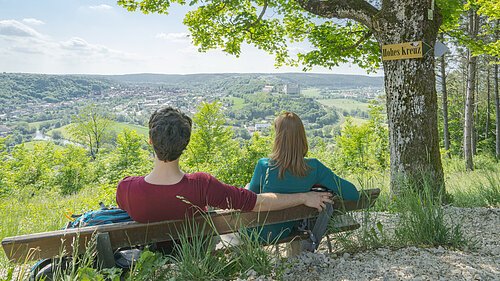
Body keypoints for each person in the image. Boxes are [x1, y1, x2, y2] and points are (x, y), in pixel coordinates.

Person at [116, 107, 332, 224]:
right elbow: (257, 203)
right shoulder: (202, 184)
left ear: (150, 140)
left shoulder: (126, 188)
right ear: (186, 143)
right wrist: (304, 197)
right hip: (198, 259)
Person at [247, 112, 360, 242]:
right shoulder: (314, 168)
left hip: (257, 233)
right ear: (302, 137)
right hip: (284, 232)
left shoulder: (264, 166)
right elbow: (352, 194)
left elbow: (250, 202)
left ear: (278, 138)